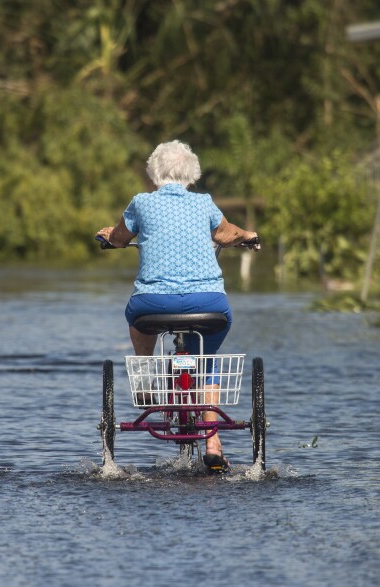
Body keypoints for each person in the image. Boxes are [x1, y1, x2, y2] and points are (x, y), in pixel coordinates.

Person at [96, 140, 257, 472]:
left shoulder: (141, 203)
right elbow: (227, 235)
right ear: (192, 173)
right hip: (207, 303)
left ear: (154, 172)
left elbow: (120, 238)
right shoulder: (205, 203)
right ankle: (214, 442)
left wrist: (107, 235)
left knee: (136, 319)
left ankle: (144, 379)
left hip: (152, 304)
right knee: (207, 358)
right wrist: (248, 235)